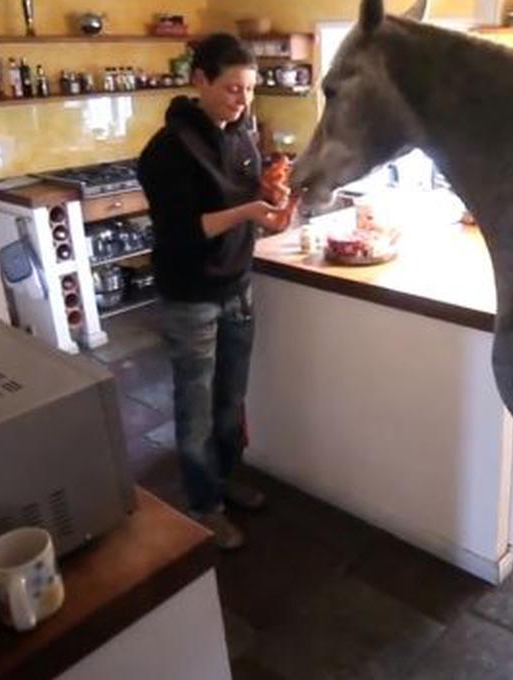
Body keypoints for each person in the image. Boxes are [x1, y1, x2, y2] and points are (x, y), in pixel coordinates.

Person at [136, 33, 292, 549]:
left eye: (249, 89)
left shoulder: (242, 132)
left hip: (238, 286)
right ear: (198, 79)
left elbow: (249, 198)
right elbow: (185, 228)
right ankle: (203, 506)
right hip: (191, 296)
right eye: (231, 88)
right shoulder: (167, 150)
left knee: (231, 402)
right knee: (196, 408)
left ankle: (223, 482)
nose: (242, 100)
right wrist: (250, 210)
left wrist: (269, 195)